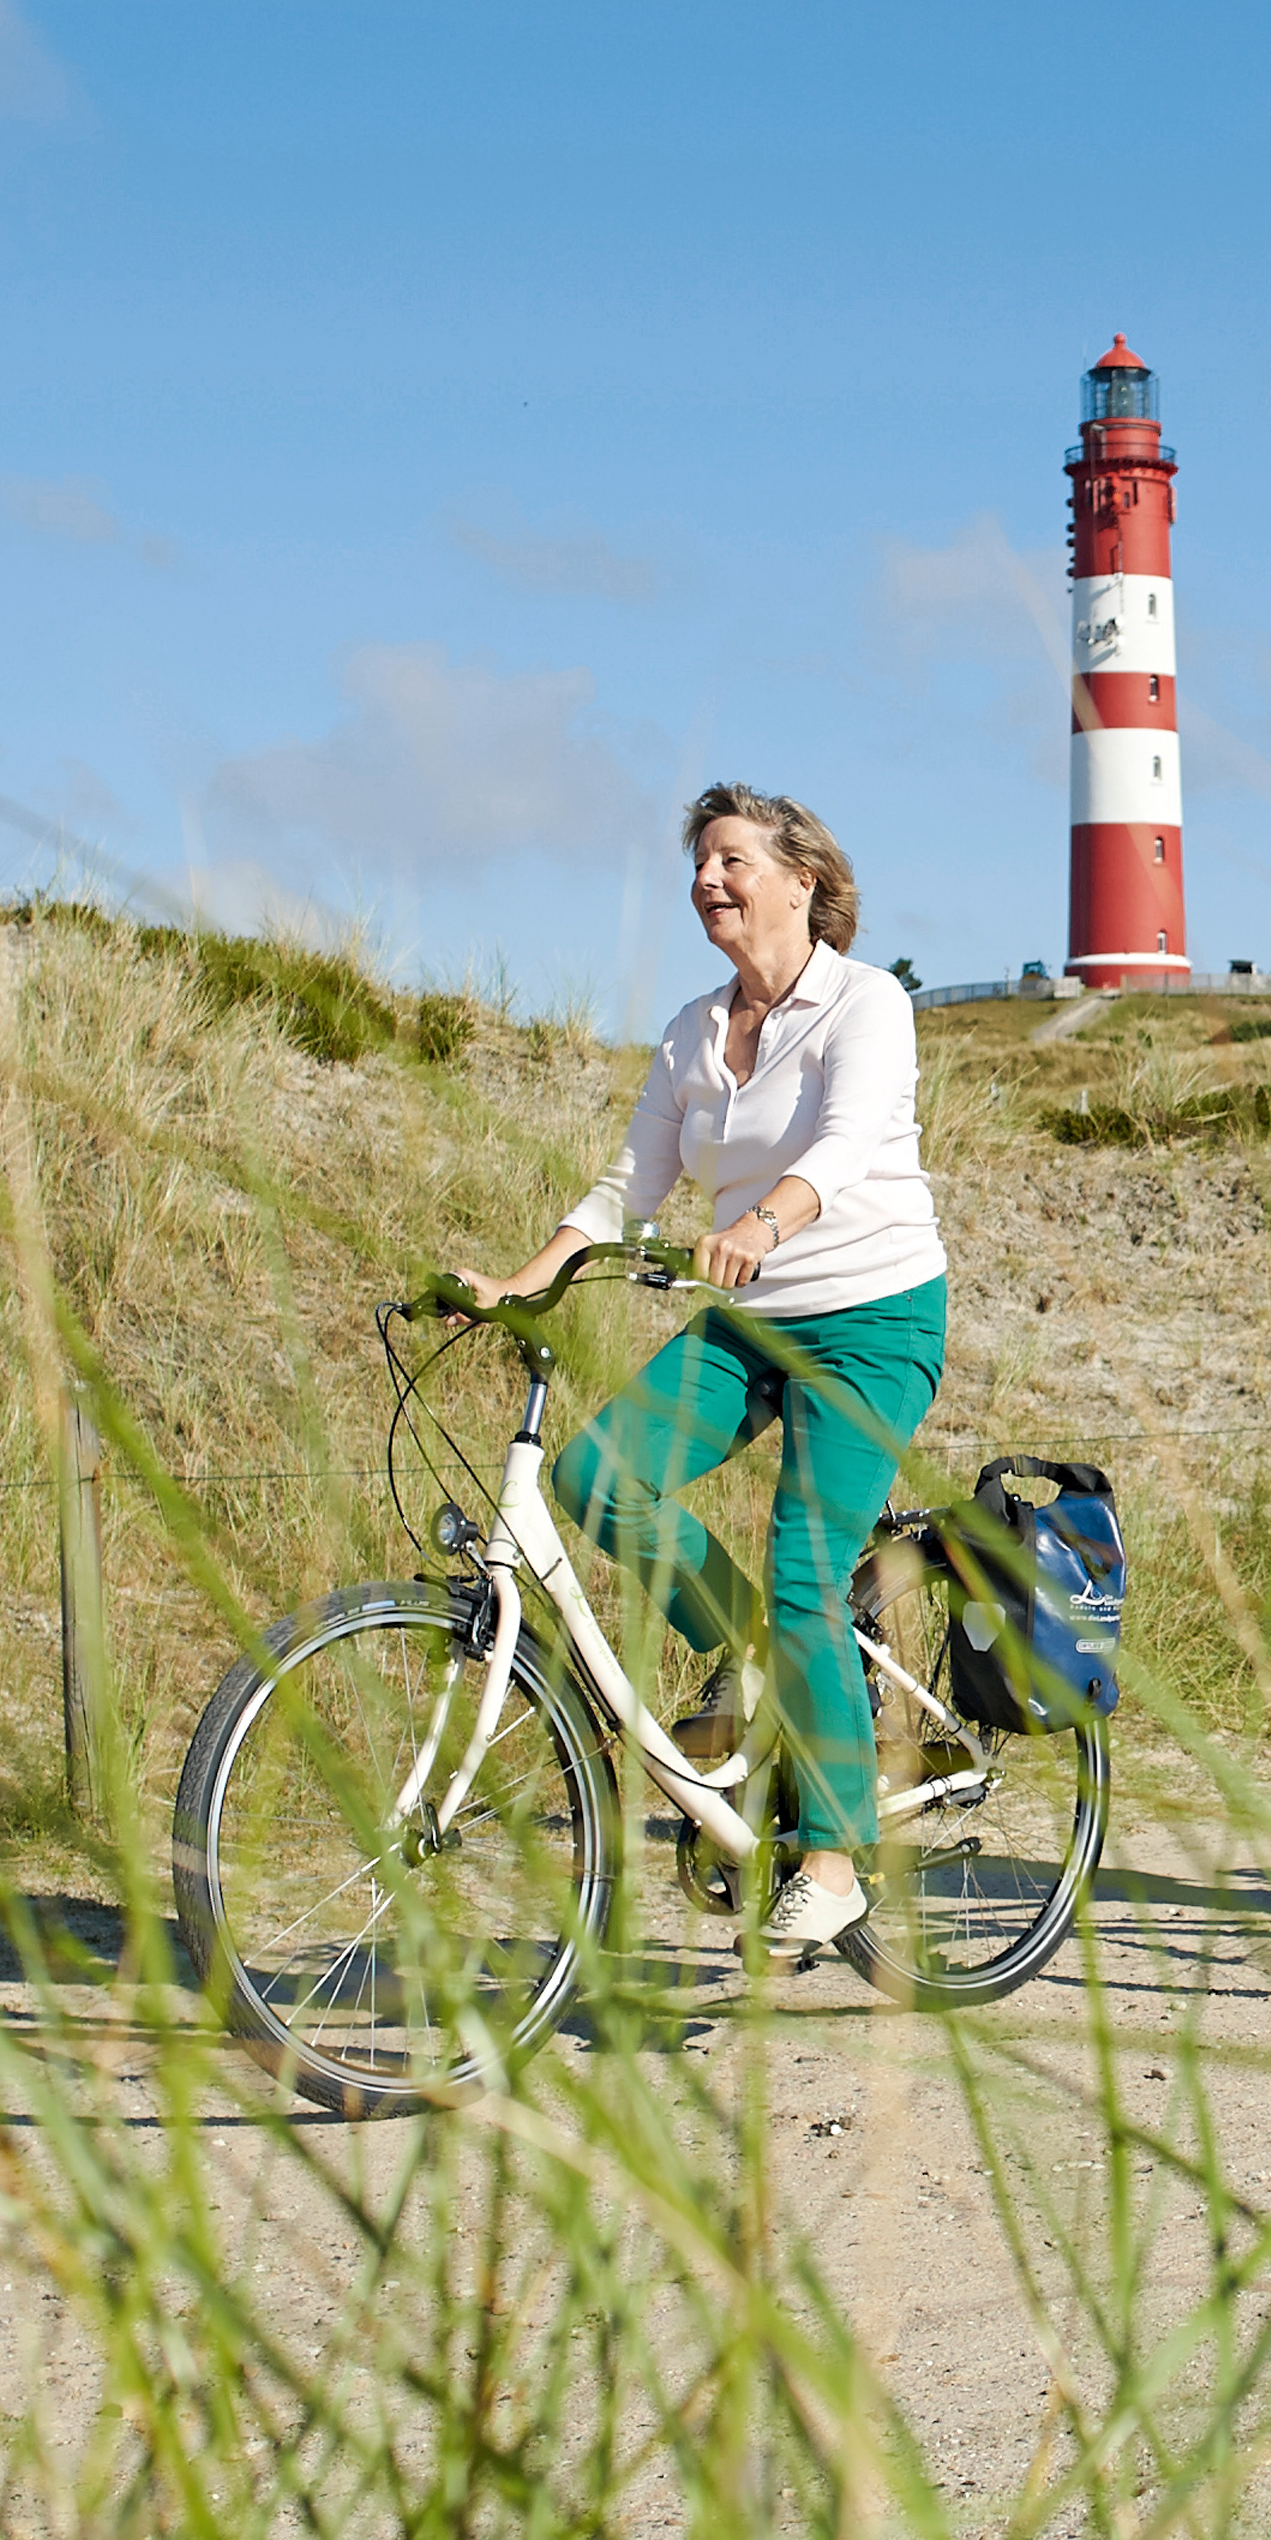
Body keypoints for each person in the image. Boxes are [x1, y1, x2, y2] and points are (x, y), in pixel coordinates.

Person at [466, 783, 947, 1973]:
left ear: (800, 879)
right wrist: (523, 1282)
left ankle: (832, 1863)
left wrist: (766, 1223)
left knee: (803, 1566)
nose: (708, 883)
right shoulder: (691, 1031)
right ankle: (755, 1657)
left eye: (731, 861)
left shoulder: (866, 1004)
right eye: (699, 867)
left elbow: (841, 1147)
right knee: (595, 1479)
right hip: (751, 1320)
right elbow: (626, 1184)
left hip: (871, 1320)